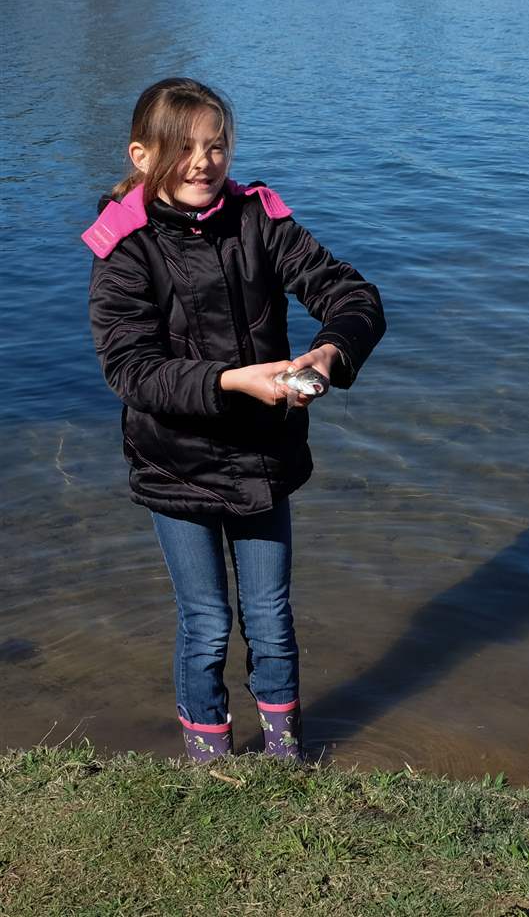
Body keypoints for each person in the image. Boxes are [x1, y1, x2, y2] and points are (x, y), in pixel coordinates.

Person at [84, 78, 386, 763]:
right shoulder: (122, 246)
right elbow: (131, 370)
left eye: (216, 145)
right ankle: (209, 764)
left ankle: (286, 757)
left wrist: (333, 352)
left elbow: (351, 292)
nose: (202, 161)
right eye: (183, 147)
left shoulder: (259, 219)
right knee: (208, 623)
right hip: (175, 464)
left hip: (262, 460)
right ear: (142, 154)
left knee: (273, 622)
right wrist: (232, 382)